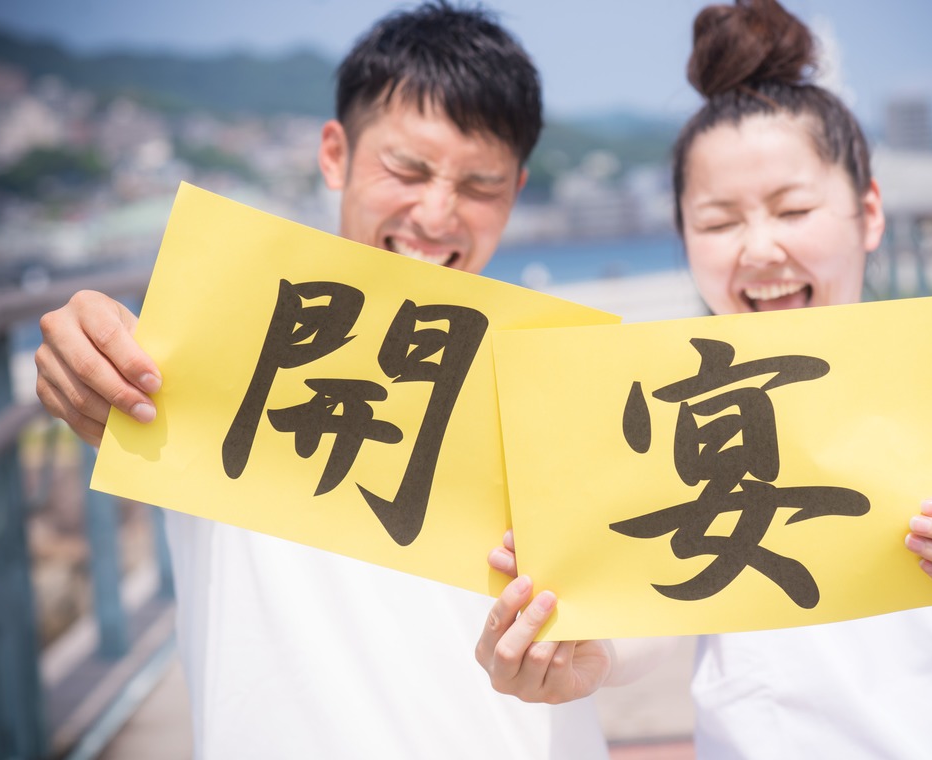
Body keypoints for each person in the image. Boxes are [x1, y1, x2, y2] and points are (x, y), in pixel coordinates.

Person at [474, 1, 932, 757]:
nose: (760, 248)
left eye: (793, 208)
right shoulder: (669, 411)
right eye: (718, 222)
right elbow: (648, 605)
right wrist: (588, 650)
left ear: (868, 212)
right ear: (682, 236)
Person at [34, 4, 612, 757]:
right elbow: (112, 356)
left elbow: (646, 605)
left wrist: (604, 650)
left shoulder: (564, 380)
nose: (437, 212)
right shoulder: (223, 339)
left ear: (518, 188)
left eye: (480, 184)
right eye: (406, 169)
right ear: (334, 153)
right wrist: (85, 349)